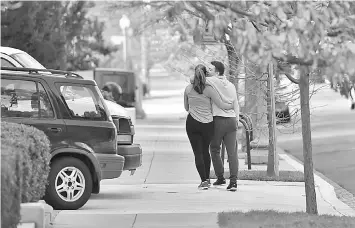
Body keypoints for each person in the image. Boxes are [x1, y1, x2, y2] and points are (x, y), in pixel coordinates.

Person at [184, 64, 234, 190]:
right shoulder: (209, 89)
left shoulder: (188, 89)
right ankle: (207, 179)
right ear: (206, 74)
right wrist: (232, 105)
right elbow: (221, 104)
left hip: (192, 123)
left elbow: (186, 108)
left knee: (197, 152)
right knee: (205, 151)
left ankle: (204, 180)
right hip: (207, 124)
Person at [206, 60, 240, 192]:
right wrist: (236, 120)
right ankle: (234, 182)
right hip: (232, 120)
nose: (208, 71)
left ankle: (220, 177)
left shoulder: (213, 82)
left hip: (218, 120)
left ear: (217, 72)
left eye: (211, 69)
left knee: (214, 149)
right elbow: (236, 103)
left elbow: (195, 79)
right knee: (232, 153)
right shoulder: (231, 85)